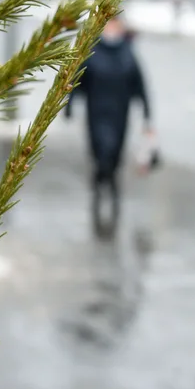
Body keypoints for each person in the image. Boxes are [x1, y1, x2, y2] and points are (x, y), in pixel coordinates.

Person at [66, 14, 153, 235]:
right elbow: (78, 80)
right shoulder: (93, 51)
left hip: (119, 113)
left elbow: (140, 84)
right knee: (100, 151)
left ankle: (111, 182)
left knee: (114, 152)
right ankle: (100, 181)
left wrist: (146, 113)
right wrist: (69, 105)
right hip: (97, 112)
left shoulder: (127, 52)